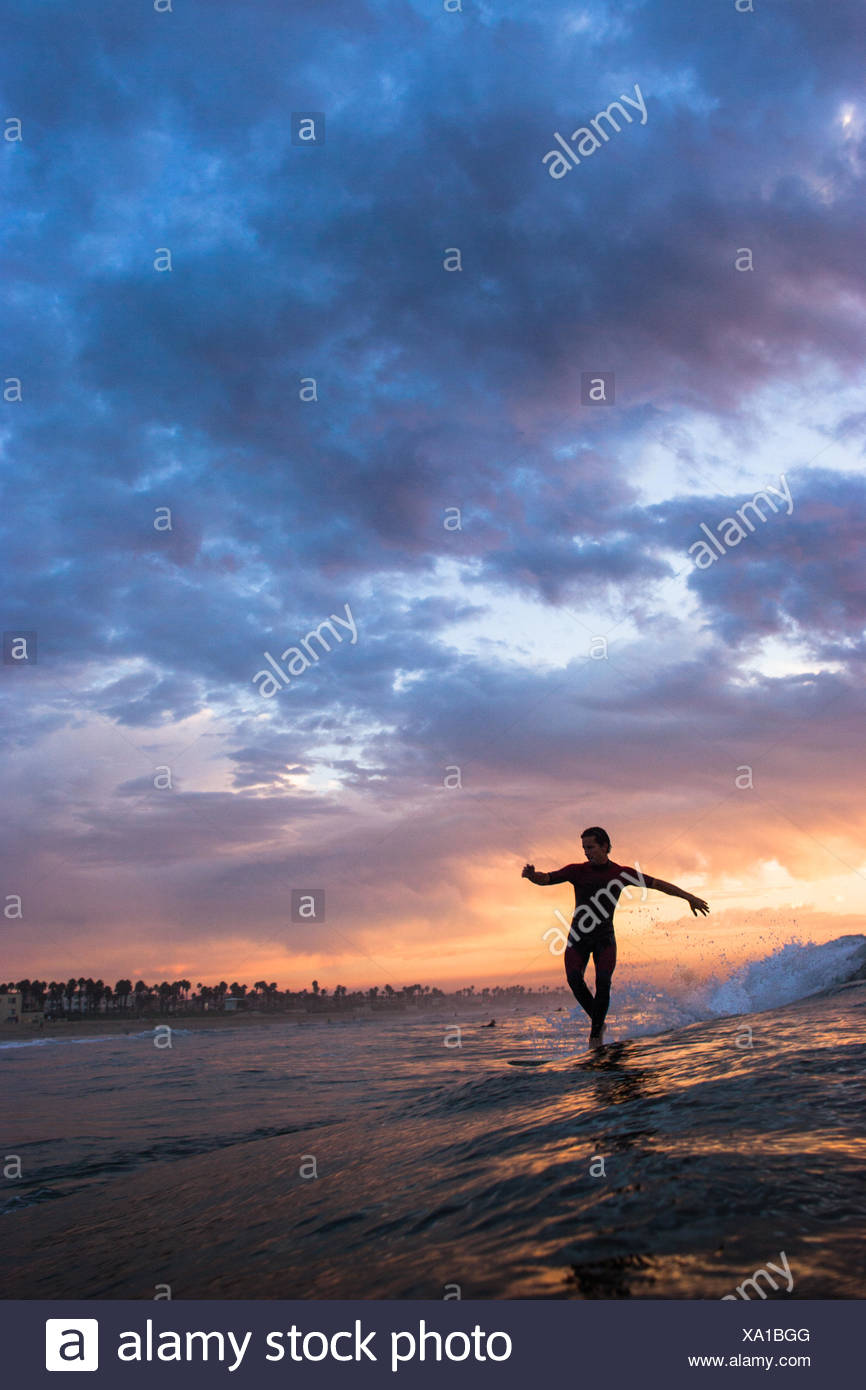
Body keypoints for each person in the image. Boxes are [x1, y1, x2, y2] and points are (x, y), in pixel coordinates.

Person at [522, 826, 709, 1047]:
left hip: (604, 941)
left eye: (590, 847)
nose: (586, 852)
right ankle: (599, 1023)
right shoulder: (576, 871)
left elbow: (657, 884)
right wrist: (532, 876)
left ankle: (595, 1038)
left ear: (604, 846)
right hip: (578, 939)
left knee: (603, 982)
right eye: (583, 848)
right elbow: (547, 879)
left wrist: (689, 897)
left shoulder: (620, 874)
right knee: (574, 980)